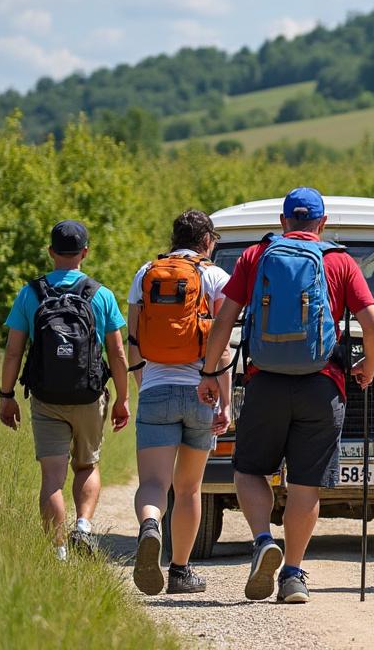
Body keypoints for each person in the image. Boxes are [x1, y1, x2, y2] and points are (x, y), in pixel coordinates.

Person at [197, 188, 374, 604]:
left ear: (283, 222)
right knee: (305, 486)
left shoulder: (254, 256)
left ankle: (263, 539)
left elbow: (223, 320)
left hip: (265, 380)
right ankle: (294, 576)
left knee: (249, 470)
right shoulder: (339, 261)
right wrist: (366, 368)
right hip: (322, 384)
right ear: (322, 223)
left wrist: (210, 373)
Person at [0, 220, 130, 560]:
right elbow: (116, 353)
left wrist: (6, 395)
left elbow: (14, 351)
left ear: (51, 252)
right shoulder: (100, 294)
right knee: (86, 467)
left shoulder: (31, 293)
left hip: (46, 398)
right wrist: (123, 399)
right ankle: (83, 527)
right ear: (85, 252)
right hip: (89, 396)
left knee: (52, 479)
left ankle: (58, 553)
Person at [127, 210, 232, 596]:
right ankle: (180, 571)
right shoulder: (215, 277)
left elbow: (133, 339)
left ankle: (150, 527)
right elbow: (222, 348)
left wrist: (143, 383)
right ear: (206, 240)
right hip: (200, 391)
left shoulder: (145, 274)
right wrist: (224, 402)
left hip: (156, 387)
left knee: (154, 483)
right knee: (189, 489)